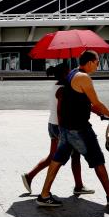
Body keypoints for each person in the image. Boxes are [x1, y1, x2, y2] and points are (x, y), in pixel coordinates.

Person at [36, 50, 109, 207]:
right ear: (90, 62)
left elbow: (77, 101)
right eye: (97, 62)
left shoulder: (73, 73)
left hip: (66, 128)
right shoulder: (84, 78)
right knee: (97, 158)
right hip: (79, 129)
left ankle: (44, 195)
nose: (98, 66)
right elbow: (97, 103)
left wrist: (93, 110)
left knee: (57, 160)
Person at [21, 64, 92, 196]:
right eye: (69, 72)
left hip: (51, 124)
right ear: (65, 74)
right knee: (70, 156)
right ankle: (75, 187)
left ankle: (29, 176)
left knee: (53, 157)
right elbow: (60, 110)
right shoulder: (63, 90)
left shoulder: (56, 85)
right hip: (61, 126)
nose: (71, 74)